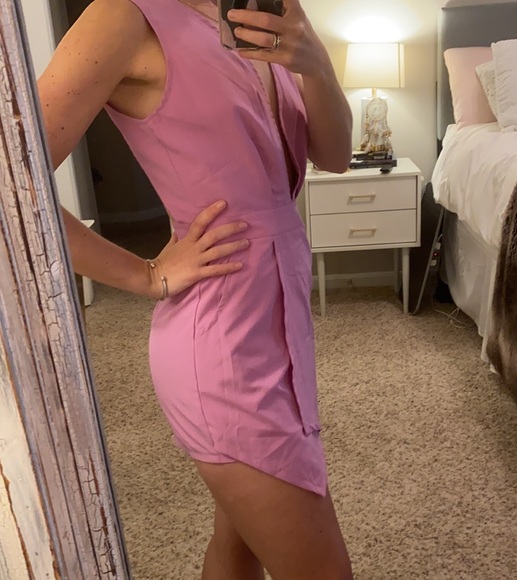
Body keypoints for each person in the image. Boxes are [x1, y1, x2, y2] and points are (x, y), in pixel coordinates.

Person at [39, 0, 353, 577]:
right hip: (222, 346)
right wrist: (145, 274)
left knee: (238, 547)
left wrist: (316, 65)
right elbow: (11, 182)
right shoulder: (123, 16)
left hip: (282, 328)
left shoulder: (259, 10)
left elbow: (334, 156)